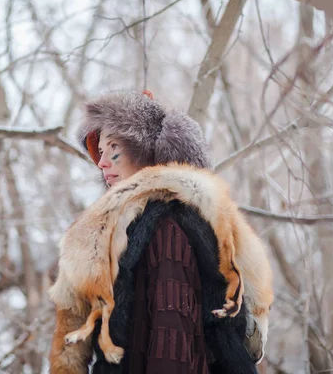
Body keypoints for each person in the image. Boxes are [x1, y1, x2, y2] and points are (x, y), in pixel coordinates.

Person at [55, 90, 260, 374]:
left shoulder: (167, 228)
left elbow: (173, 343)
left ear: (144, 152)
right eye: (100, 151)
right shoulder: (127, 231)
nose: (101, 162)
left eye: (113, 147)